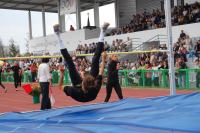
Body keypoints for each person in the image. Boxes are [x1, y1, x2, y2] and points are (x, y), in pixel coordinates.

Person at [56, 22, 109, 102]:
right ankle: (103, 31)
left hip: (78, 89)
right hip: (88, 92)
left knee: (70, 63)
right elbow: (100, 73)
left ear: (82, 84)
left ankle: (57, 34)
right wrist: (104, 59)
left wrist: (62, 75)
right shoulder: (95, 88)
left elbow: (60, 87)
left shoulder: (74, 91)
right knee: (95, 59)